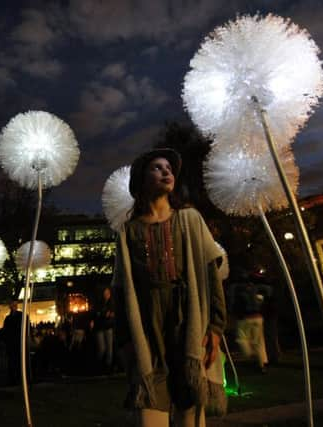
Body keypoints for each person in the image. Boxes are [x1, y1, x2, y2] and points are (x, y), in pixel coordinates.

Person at [112, 148, 227, 427]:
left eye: (169, 168)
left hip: (188, 321)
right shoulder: (128, 231)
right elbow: (121, 289)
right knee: (150, 412)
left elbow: (210, 275)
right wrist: (126, 341)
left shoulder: (190, 218)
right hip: (149, 328)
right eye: (157, 167)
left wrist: (215, 327)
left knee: (190, 410)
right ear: (141, 180)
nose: (167, 171)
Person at [229, 273, 272, 373]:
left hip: (245, 318)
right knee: (259, 343)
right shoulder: (257, 288)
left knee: (241, 339)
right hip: (258, 317)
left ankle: (251, 356)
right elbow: (268, 292)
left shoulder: (236, 288)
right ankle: (262, 364)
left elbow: (233, 303)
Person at [91, 287, 116, 373]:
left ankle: (108, 367)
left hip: (108, 326)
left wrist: (105, 314)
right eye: (105, 293)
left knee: (109, 349)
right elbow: (97, 313)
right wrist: (104, 314)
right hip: (100, 327)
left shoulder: (112, 303)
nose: (106, 295)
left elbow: (111, 314)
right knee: (102, 348)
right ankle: (99, 365)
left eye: (107, 293)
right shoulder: (100, 303)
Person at [2, 300, 24, 385]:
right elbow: (5, 330)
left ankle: (18, 377)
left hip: (18, 342)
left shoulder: (21, 315)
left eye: (15, 305)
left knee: (18, 360)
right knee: (12, 361)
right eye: (12, 305)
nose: (14, 306)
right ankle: (12, 378)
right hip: (11, 343)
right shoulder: (8, 318)